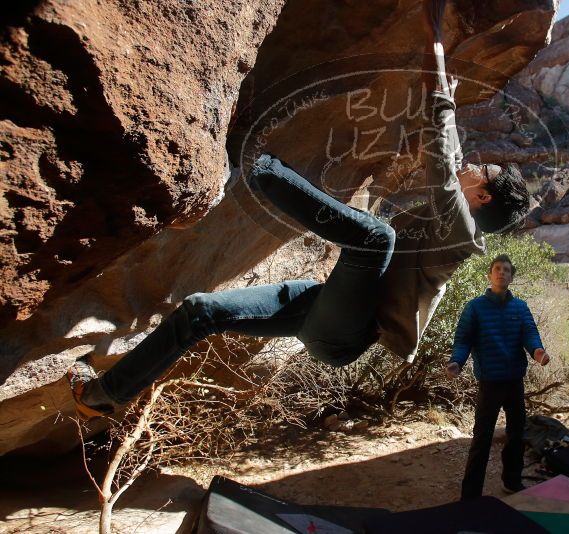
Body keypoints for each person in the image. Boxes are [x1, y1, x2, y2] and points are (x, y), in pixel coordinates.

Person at [67, 0, 531, 421]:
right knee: (200, 311)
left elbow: (441, 153)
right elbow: (449, 158)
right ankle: (102, 396)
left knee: (376, 239)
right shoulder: (456, 216)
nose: (474, 165)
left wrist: (435, 46)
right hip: (325, 308)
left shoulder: (462, 233)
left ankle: (257, 166)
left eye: (482, 170)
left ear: (484, 197)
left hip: (347, 333)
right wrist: (438, 66)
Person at [445, 254, 550, 499]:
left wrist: (538, 352)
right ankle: (470, 496)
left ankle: (512, 482)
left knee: (516, 435)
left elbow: (530, 335)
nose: (501, 273)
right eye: (497, 269)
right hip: (490, 382)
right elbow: (463, 340)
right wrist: (456, 362)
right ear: (489, 275)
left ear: (512, 276)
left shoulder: (520, 307)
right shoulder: (475, 307)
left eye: (506, 270)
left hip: (514, 381)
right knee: (482, 438)